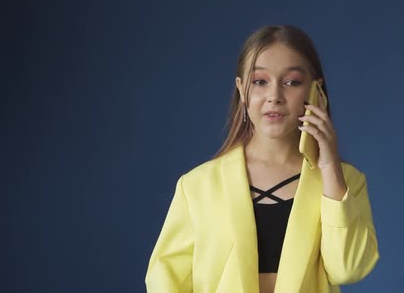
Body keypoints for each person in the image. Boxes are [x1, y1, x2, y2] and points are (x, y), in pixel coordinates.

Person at [145, 25, 380, 292]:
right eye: (260, 81)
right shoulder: (197, 186)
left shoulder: (344, 183)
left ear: (316, 91)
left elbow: (349, 269)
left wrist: (328, 166)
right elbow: (164, 279)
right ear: (241, 90)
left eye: (292, 82)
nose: (274, 97)